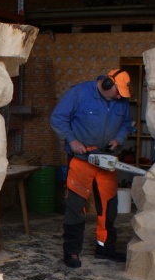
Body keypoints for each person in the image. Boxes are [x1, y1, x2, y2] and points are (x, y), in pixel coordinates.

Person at [50, 68, 132, 268]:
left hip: (107, 159)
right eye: (117, 91)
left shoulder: (121, 101)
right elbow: (58, 118)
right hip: (82, 159)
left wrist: (118, 139)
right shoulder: (79, 93)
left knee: (108, 207)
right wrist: (72, 140)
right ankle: (72, 252)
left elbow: (126, 123)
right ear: (107, 83)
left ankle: (105, 248)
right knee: (76, 207)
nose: (119, 96)